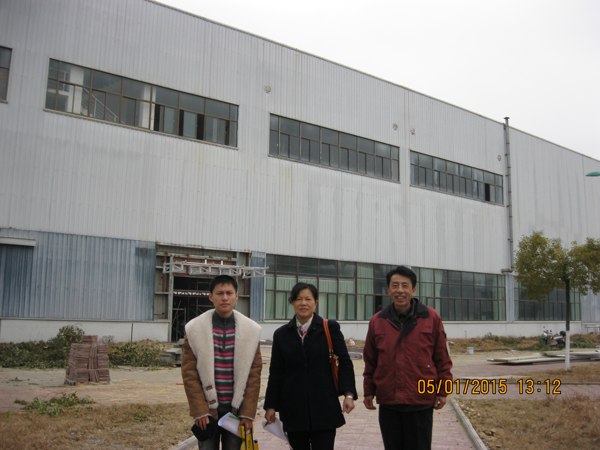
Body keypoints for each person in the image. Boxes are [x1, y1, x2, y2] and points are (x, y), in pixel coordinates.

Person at [363, 266, 453, 450]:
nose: (400, 290)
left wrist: (443, 391)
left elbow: (442, 359)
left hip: (421, 401)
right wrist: (368, 391)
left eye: (405, 285)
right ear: (388, 290)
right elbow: (370, 361)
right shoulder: (378, 321)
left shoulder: (431, 318)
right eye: (395, 285)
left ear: (413, 289)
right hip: (389, 402)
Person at [264, 282, 357, 450]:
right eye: (298, 299)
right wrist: (271, 405)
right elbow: (276, 372)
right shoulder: (281, 334)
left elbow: (344, 362)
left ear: (316, 302)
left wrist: (348, 394)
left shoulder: (329, 329)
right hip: (293, 408)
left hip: (324, 406)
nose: (303, 303)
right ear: (292, 302)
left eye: (308, 299)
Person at [181, 275, 262, 450]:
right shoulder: (195, 329)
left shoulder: (251, 330)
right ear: (211, 296)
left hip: (236, 412)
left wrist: (247, 413)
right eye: (219, 293)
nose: (224, 298)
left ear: (236, 296)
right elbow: (189, 374)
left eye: (229, 293)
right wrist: (199, 410)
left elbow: (254, 375)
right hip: (208, 414)